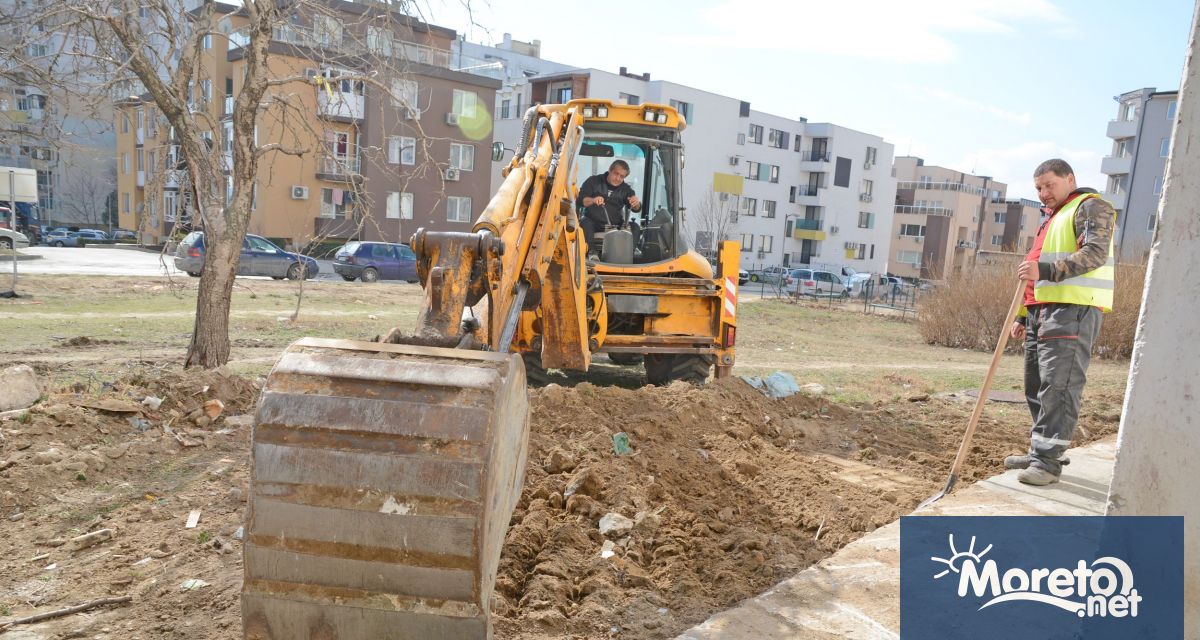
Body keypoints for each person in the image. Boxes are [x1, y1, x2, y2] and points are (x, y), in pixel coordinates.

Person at [1004, 159, 1116, 486]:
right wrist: (1025, 314)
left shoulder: (1091, 207)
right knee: (1036, 385)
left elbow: (1094, 253)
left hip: (1073, 311)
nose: (1042, 193)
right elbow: (1036, 267)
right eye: (1038, 187)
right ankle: (1041, 449)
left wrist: (1047, 272)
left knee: (1059, 386)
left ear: (1070, 179)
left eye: (1049, 185)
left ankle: (1048, 464)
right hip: (1043, 311)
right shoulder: (1052, 218)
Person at [576, 160, 642, 253]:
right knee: (585, 222)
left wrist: (636, 203)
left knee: (635, 227)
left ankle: (628, 255)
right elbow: (580, 200)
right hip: (593, 223)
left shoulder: (626, 189)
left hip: (615, 225)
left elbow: (636, 209)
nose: (618, 178)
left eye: (622, 176)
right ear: (610, 170)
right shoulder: (593, 181)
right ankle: (591, 252)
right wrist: (593, 200)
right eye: (616, 174)